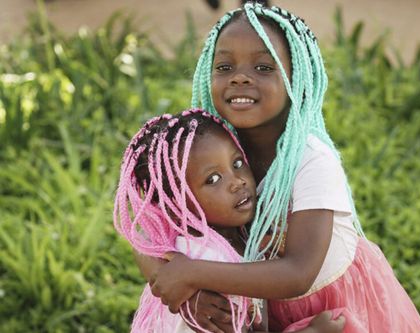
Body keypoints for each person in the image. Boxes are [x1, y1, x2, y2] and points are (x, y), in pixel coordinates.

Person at [138, 2, 420, 332]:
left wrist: (191, 273)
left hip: (332, 307)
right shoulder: (206, 147)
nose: (241, 78)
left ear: (298, 79)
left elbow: (298, 274)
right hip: (261, 306)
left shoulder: (312, 161)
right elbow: (147, 231)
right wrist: (180, 291)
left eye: (263, 68)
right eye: (224, 67)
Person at [114, 109, 346, 332]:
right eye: (213, 179)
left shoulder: (222, 241)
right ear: (175, 207)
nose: (238, 182)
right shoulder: (214, 263)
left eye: (237, 164)